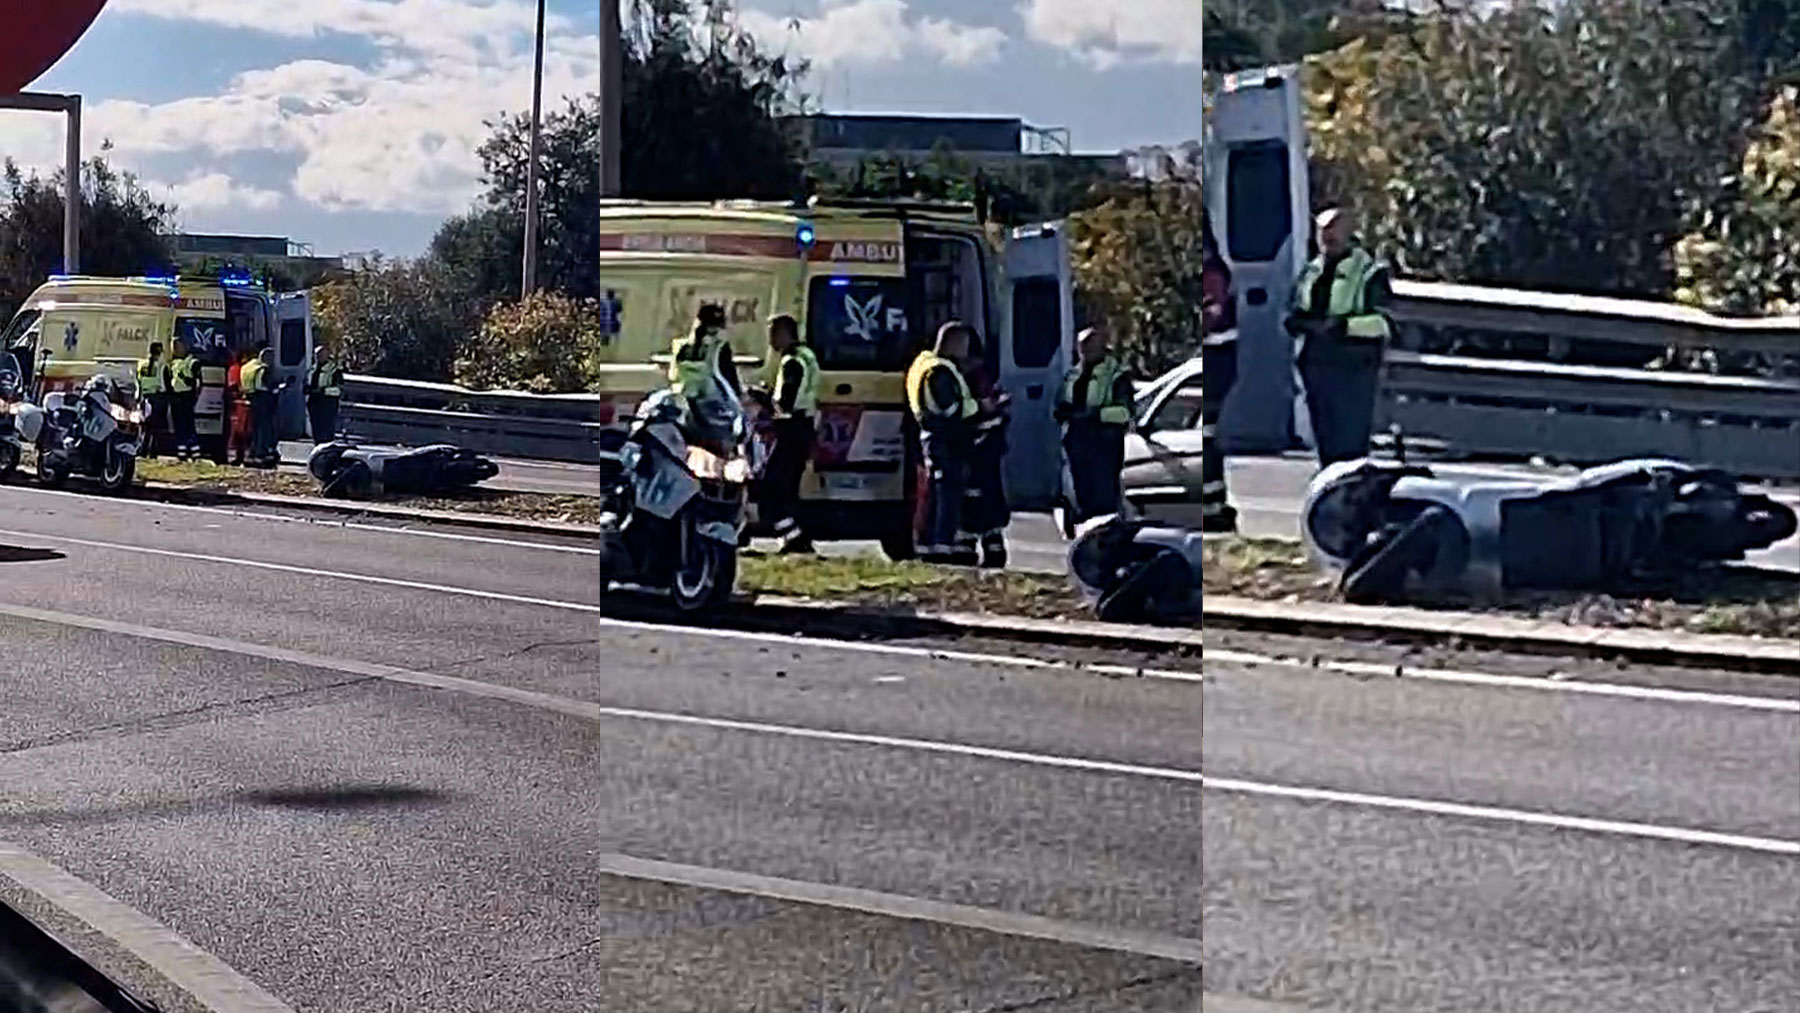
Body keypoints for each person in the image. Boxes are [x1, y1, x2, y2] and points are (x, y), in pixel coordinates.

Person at [1285, 206, 1394, 468]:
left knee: (1350, 441)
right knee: (1326, 439)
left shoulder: (1369, 272)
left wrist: (1343, 326)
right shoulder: (1311, 271)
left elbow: (1383, 322)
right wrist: (1298, 323)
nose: (1327, 240)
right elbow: (1298, 307)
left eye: (1333, 233)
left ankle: (1351, 495)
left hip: (1353, 366)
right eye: (1323, 234)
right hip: (1317, 364)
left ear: (1348, 232)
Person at [905, 321, 980, 564]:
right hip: (945, 439)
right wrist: (982, 408)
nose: (966, 350)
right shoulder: (939, 371)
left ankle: (931, 544)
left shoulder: (924, 363)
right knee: (947, 492)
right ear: (954, 343)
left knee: (938, 491)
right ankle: (941, 544)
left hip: (933, 436)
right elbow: (949, 408)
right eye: (964, 344)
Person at [1054, 324, 1134, 527]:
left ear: (1101, 346)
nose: (1085, 351)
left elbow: (1125, 412)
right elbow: (1061, 401)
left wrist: (1095, 415)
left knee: (1104, 498)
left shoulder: (1116, 375)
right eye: (1082, 347)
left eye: (1089, 346)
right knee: (1081, 496)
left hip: (1104, 444)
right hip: (1076, 442)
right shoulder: (1073, 374)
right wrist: (1064, 412)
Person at [751, 314, 818, 554]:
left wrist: (762, 398)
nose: (770, 341)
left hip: (792, 430)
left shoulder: (792, 362)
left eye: (773, 334)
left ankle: (794, 538)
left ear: (786, 333)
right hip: (803, 428)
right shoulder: (807, 356)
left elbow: (785, 404)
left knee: (772, 485)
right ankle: (792, 538)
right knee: (787, 486)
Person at [1200, 210, 1240, 533]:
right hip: (1216, 361)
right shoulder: (1212, 268)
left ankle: (1213, 505)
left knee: (1207, 436)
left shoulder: (1212, 272)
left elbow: (1211, 313)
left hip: (1216, 362)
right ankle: (1211, 503)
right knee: (1206, 436)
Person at [961, 341, 1011, 568]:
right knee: (986, 500)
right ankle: (989, 548)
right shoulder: (982, 380)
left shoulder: (973, 380)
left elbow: (981, 415)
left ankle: (972, 548)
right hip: (986, 450)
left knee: (975, 499)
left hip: (978, 451)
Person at [242, 347, 281, 468]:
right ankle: (263, 453)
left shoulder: (248, 367)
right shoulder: (265, 370)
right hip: (264, 400)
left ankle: (253, 453)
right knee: (265, 429)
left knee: (255, 429)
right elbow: (270, 387)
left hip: (252, 399)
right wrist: (281, 387)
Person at [167, 339, 200, 460]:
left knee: (188, 425)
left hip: (187, 396)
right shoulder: (173, 363)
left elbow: (196, 383)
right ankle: (181, 453)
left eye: (178, 347)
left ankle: (195, 452)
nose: (176, 350)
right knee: (178, 425)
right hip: (176, 397)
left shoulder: (192, 362)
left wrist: (183, 377)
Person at [135, 341, 168, 459]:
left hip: (144, 397)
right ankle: (152, 451)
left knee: (144, 426)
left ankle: (141, 449)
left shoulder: (141, 364)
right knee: (156, 428)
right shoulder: (161, 366)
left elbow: (138, 381)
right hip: (157, 397)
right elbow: (164, 384)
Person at [306, 342, 344, 443]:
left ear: (327, 355)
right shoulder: (312, 369)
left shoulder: (334, 370)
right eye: (317, 355)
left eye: (321, 355)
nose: (318, 357)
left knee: (327, 429)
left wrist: (322, 390)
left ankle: (327, 449)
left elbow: (339, 389)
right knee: (316, 428)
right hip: (314, 402)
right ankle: (317, 446)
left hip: (328, 403)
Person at [227, 348, 251, 466]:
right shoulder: (240, 369)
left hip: (238, 404)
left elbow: (232, 386)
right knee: (241, 432)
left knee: (239, 432)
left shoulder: (235, 369)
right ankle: (241, 456)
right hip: (241, 403)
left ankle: (240, 456)